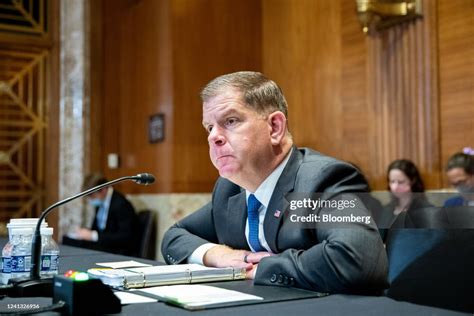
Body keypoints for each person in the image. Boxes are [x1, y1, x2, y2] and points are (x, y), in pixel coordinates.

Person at [161, 71, 388, 294]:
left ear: (275, 127)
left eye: (230, 121)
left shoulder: (320, 181)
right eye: (209, 127)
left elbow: (357, 260)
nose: (213, 137)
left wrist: (263, 268)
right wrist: (220, 255)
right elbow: (175, 236)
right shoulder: (230, 190)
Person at [62, 173, 139, 255]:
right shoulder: (101, 201)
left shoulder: (121, 204)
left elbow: (125, 236)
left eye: (92, 196)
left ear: (103, 190)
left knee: (78, 246)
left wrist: (93, 236)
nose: (90, 199)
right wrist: (85, 233)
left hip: (117, 248)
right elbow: (96, 228)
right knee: (67, 240)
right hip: (103, 243)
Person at [377, 159, 432, 230]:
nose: (395, 187)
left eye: (400, 182)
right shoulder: (386, 210)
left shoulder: (427, 209)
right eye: (392, 182)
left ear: (413, 181)